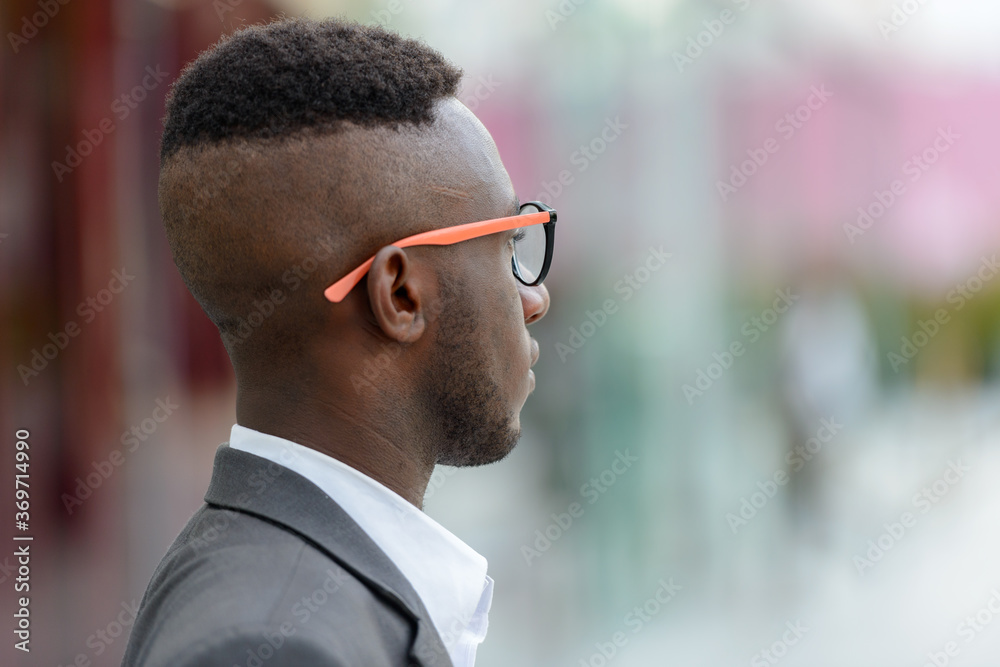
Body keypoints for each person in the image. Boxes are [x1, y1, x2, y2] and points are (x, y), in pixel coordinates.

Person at [122, 16, 554, 667]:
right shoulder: (272, 642)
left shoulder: (276, 583)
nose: (535, 297)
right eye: (508, 245)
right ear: (401, 294)